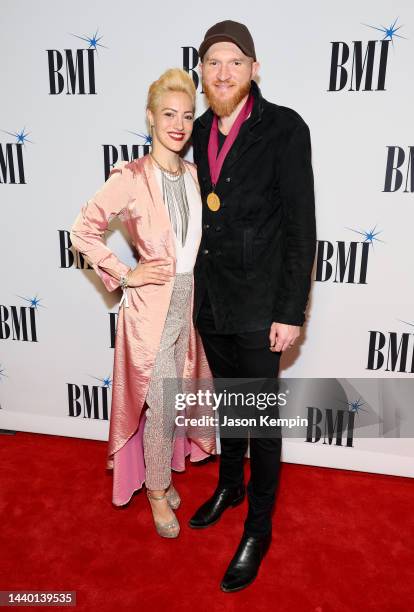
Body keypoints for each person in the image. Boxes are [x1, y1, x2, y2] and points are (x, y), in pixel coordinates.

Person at [189, 21, 316, 591]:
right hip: (211, 301)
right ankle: (230, 485)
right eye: (213, 62)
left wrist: (291, 312)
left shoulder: (285, 129)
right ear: (201, 74)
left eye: (234, 62)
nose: (223, 72)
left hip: (263, 306)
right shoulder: (191, 133)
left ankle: (258, 527)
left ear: (254, 69)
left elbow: (300, 229)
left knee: (261, 421)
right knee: (228, 402)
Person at [70, 68, 215, 539]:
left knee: (173, 408)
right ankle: (156, 492)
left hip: (187, 311)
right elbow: (83, 230)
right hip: (149, 316)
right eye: (169, 114)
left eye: (188, 116)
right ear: (150, 118)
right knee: (163, 405)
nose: (179, 124)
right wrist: (126, 274)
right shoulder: (131, 177)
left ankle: (161, 475)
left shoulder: (196, 176)